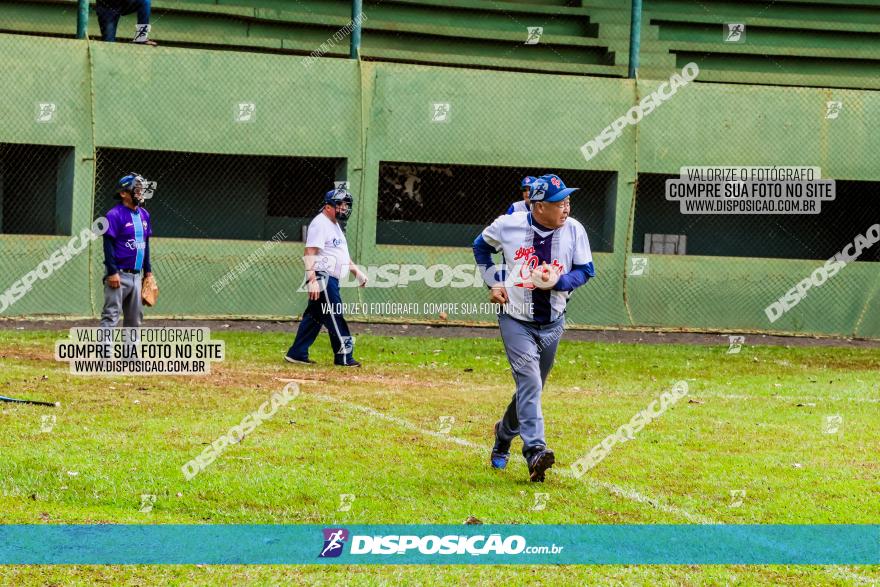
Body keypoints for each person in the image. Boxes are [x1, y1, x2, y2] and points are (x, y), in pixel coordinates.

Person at [473, 174, 595, 482]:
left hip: (553, 322)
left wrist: (560, 282)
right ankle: (535, 452)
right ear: (539, 207)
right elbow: (480, 246)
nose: (566, 207)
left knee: (531, 388)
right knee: (529, 381)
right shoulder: (509, 224)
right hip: (516, 319)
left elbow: (586, 271)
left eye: (568, 201)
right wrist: (494, 281)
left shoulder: (575, 230)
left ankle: (503, 435)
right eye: (559, 203)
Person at [286, 188, 367, 367]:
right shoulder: (320, 223)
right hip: (324, 277)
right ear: (328, 206)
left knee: (314, 318)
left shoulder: (335, 224)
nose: (344, 208)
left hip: (332, 278)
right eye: (341, 205)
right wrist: (312, 280)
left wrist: (357, 273)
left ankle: (297, 353)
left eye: (346, 205)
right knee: (335, 315)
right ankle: (345, 357)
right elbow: (310, 252)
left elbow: (341, 254)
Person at [101, 173, 154, 328]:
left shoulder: (145, 215)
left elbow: (145, 244)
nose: (141, 193)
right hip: (118, 274)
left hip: (137, 276)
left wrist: (148, 273)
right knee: (111, 316)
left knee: (135, 320)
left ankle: (130, 353)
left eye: (142, 189)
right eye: (136, 189)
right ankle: (105, 352)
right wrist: (112, 272)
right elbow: (108, 245)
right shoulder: (114, 215)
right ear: (123, 193)